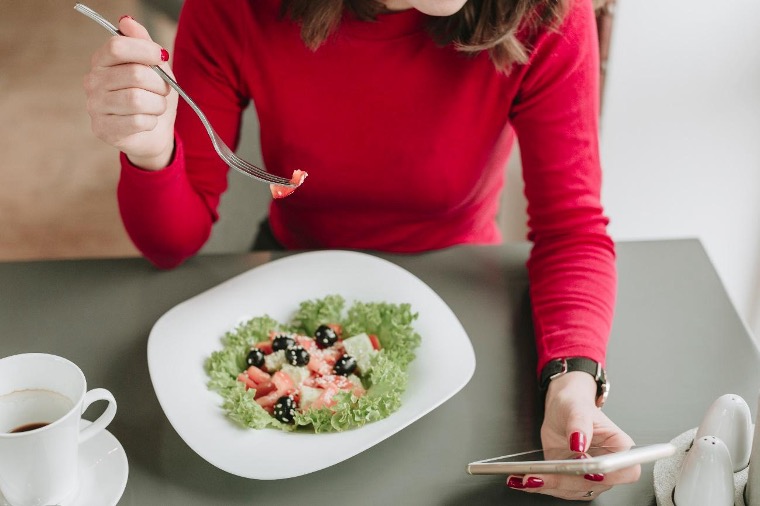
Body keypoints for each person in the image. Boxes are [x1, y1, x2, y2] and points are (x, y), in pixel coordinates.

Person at [83, 0, 638, 500]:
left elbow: (571, 228)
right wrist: (152, 150)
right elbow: (170, 245)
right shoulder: (233, 8)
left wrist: (571, 382)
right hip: (289, 278)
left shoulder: (549, 12)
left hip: (467, 291)